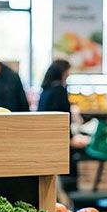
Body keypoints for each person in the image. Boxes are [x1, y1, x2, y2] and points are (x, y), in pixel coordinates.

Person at [37, 59, 87, 192]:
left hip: (44, 140)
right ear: (63, 73)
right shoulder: (59, 90)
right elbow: (64, 117)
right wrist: (70, 139)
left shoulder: (45, 90)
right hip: (58, 142)